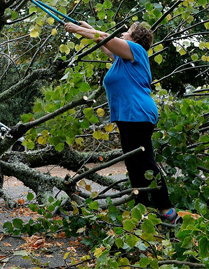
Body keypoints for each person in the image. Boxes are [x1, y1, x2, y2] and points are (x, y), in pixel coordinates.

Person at [64, 20, 178, 223]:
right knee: (133, 165)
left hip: (138, 113)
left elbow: (104, 37)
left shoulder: (136, 51)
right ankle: (141, 210)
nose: (123, 33)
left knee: (144, 163)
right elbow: (104, 42)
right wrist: (87, 27)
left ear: (135, 38)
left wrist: (78, 30)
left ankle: (167, 210)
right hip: (129, 116)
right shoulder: (122, 60)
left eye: (127, 31)